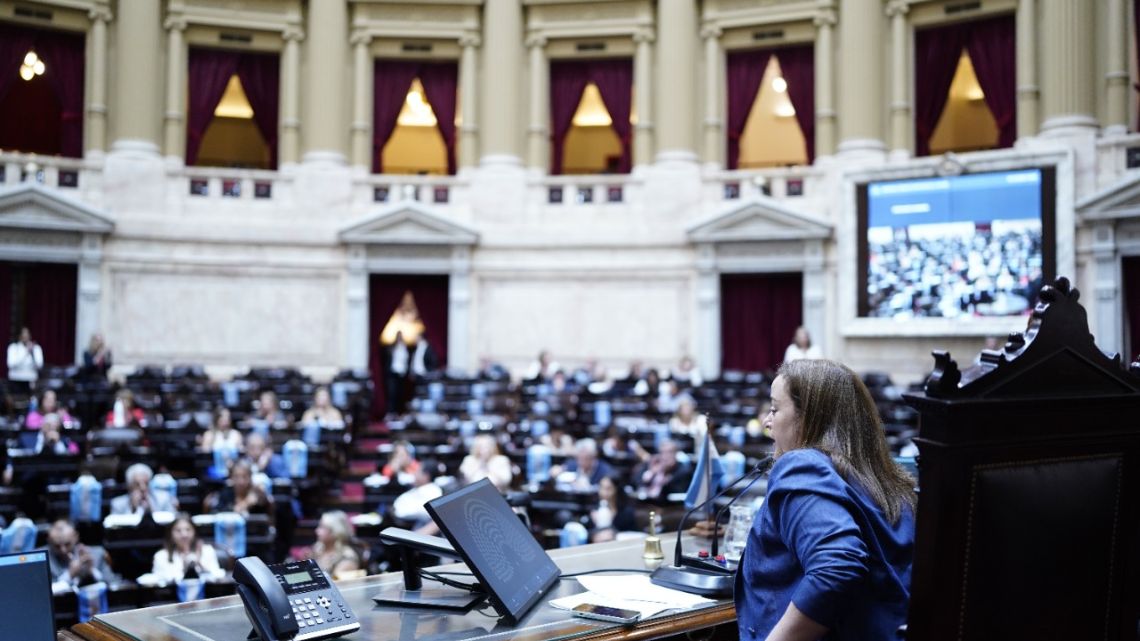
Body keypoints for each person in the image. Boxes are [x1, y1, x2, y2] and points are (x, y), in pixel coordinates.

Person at [736, 359, 916, 641]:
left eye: (774, 409)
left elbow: (838, 565)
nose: (767, 422)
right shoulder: (888, 481)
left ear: (809, 418)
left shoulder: (801, 465)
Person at [47, 519, 119, 592]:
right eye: (57, 546)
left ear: (76, 537)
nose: (63, 550)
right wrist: (69, 574)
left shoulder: (97, 554)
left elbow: (113, 583)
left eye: (67, 544)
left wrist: (92, 571)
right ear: (49, 541)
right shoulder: (45, 560)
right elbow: (45, 592)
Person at [149, 515, 225, 583]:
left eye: (188, 529)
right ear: (170, 534)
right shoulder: (160, 556)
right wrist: (184, 568)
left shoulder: (207, 551)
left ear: (194, 532)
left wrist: (200, 565)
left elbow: (218, 575)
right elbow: (158, 581)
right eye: (178, 530)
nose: (184, 534)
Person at [299, 510, 361, 579]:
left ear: (335, 531)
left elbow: (336, 586)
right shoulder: (318, 549)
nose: (316, 531)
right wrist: (305, 563)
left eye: (322, 527)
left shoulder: (347, 558)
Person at [207, 459, 273, 518]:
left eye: (244, 477)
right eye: (236, 477)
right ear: (231, 477)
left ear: (250, 477)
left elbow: (265, 519)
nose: (241, 481)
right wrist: (246, 504)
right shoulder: (226, 492)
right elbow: (216, 514)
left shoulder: (258, 493)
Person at [111, 463, 178, 516]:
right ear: (129, 486)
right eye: (137, 484)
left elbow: (171, 524)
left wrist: (151, 509)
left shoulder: (164, 498)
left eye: (146, 483)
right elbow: (116, 528)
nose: (143, 488)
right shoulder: (117, 504)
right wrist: (132, 508)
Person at [550, 438, 615, 491]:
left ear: (593, 457)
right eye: (580, 458)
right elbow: (556, 470)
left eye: (586, 458)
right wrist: (556, 471)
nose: (581, 462)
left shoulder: (604, 470)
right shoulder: (572, 465)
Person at [589, 476, 636, 543]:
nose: (603, 492)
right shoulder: (596, 509)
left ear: (616, 489)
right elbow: (589, 532)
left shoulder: (626, 512)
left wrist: (612, 532)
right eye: (601, 488)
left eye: (608, 489)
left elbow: (630, 534)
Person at [6, 327, 42, 394]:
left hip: (31, 379)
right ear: (19, 336)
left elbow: (39, 365)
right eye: (23, 334)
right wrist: (26, 352)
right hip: (15, 379)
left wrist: (32, 353)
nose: (25, 337)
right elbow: (11, 364)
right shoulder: (13, 347)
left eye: (27, 334)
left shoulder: (36, 348)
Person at [385, 331, 410, 416]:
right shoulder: (392, 347)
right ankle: (391, 412)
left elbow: (406, 361)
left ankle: (400, 412)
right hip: (393, 373)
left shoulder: (405, 348)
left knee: (401, 394)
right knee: (392, 393)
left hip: (402, 374)